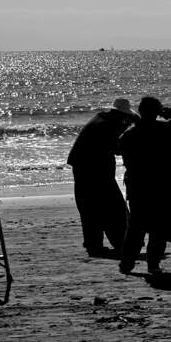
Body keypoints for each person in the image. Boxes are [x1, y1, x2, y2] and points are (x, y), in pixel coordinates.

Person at [118, 97, 171, 275]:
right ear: (157, 111)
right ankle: (153, 265)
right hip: (160, 183)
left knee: (135, 227)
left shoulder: (128, 135)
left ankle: (126, 264)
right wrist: (166, 112)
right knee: (158, 227)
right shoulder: (166, 131)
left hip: (137, 184)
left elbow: (121, 153)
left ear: (140, 111)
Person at [67, 98, 138, 258]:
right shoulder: (110, 125)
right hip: (93, 166)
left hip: (82, 163)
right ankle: (120, 241)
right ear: (122, 115)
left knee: (89, 204)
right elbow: (118, 148)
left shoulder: (103, 118)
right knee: (110, 203)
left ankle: (94, 244)